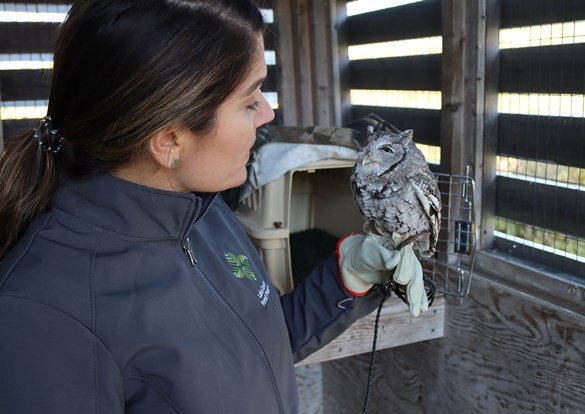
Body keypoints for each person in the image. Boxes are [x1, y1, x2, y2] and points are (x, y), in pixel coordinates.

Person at [0, 1, 427, 412]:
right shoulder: (42, 318)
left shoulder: (203, 213)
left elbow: (257, 344)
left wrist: (345, 281)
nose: (268, 113)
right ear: (170, 140)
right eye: (249, 100)